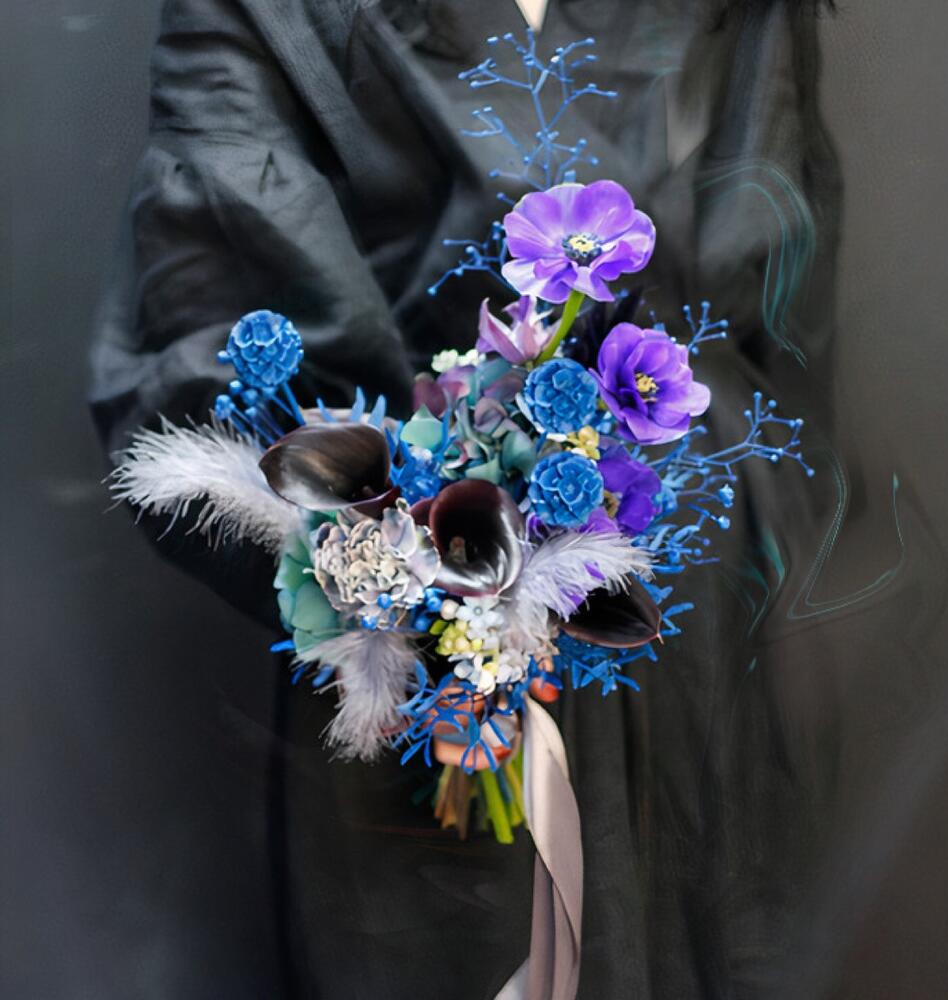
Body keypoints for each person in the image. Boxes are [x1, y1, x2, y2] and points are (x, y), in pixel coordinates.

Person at [91, 1, 848, 997]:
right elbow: (208, 332)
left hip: (695, 642)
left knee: (706, 942)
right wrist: (436, 578)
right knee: (466, 946)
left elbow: (779, 310)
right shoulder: (264, 15)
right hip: (426, 657)